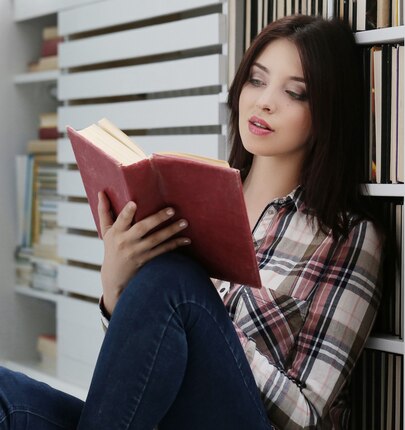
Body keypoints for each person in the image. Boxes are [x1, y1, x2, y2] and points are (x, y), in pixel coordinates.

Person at [0, 14, 383, 430]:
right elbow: (135, 382)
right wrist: (115, 288)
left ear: (328, 111)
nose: (264, 101)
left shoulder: (348, 236)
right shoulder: (198, 201)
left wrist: (210, 321)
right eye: (256, 80)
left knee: (174, 281)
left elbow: (307, 414)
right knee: (5, 393)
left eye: (294, 92)